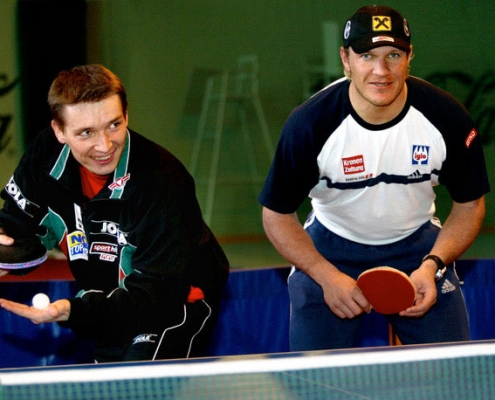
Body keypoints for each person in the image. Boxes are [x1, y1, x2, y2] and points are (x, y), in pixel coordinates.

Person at [259, 5, 490, 351]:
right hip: (330, 250)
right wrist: (326, 276)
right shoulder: (309, 125)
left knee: (452, 378)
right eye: (366, 55)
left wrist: (433, 264)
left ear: (409, 57)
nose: (380, 71)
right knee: (318, 385)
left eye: (393, 54)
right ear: (346, 59)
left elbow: (470, 204)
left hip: (418, 250)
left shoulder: (447, 118)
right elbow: (276, 215)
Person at [0, 64, 229, 362]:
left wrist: (75, 311)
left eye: (114, 125)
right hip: (107, 300)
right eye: (86, 132)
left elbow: (157, 293)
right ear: (59, 131)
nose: (105, 146)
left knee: (137, 385)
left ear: (126, 115)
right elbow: (18, 222)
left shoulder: (163, 181)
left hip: (175, 304)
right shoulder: (45, 153)